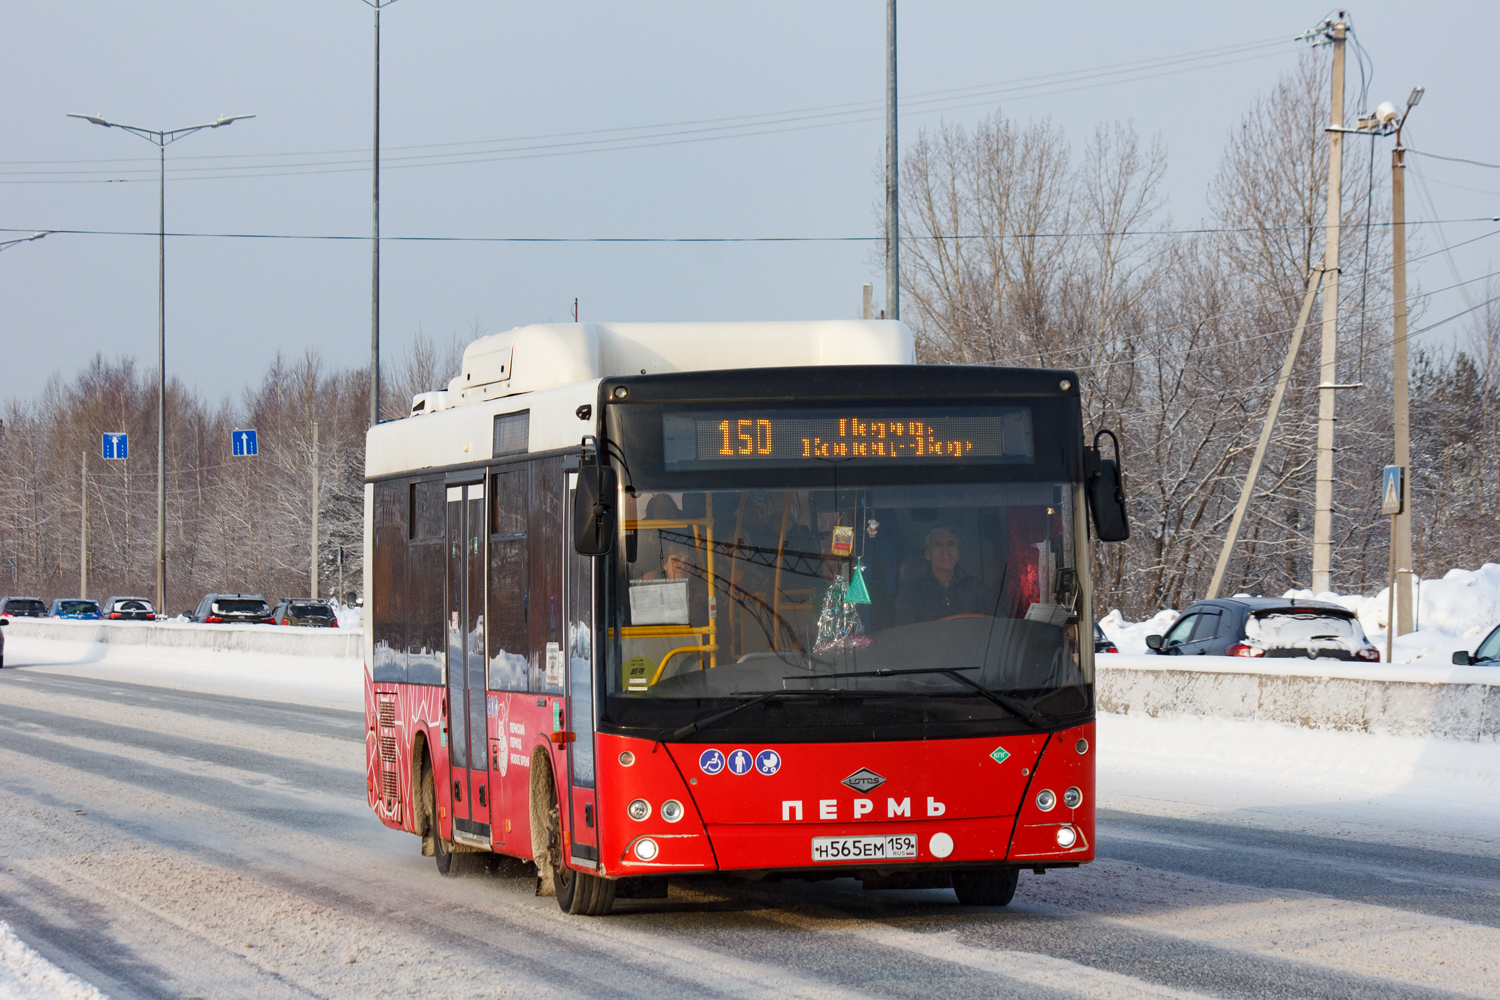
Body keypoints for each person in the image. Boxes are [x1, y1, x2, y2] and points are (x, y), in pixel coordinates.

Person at [894, 526, 992, 625]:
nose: (945, 551)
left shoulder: (976, 587)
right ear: (928, 553)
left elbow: (998, 625)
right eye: (938, 545)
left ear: (958, 554)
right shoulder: (911, 591)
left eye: (951, 544)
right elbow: (904, 631)